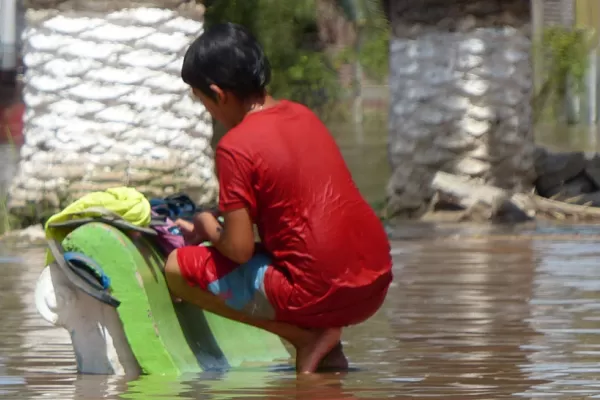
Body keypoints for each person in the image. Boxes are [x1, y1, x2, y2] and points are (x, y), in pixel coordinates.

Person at [164, 22, 393, 374]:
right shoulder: (302, 114)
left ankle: (304, 337)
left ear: (218, 94)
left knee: (177, 268)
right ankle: (328, 350)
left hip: (323, 291)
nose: (209, 114)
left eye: (203, 103)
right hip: (375, 280)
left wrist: (207, 224)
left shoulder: (234, 148)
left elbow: (238, 249)